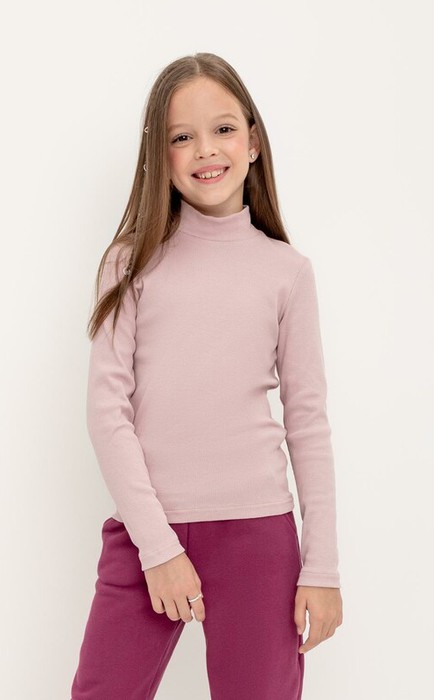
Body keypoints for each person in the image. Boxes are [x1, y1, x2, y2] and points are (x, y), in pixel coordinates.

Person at [70, 52, 343, 700]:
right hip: (146, 533)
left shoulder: (287, 272)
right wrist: (158, 548)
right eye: (181, 136)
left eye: (222, 129)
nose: (205, 150)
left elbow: (307, 423)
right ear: (158, 156)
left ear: (253, 140)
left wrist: (323, 568)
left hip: (259, 536)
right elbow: (107, 412)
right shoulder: (129, 263)